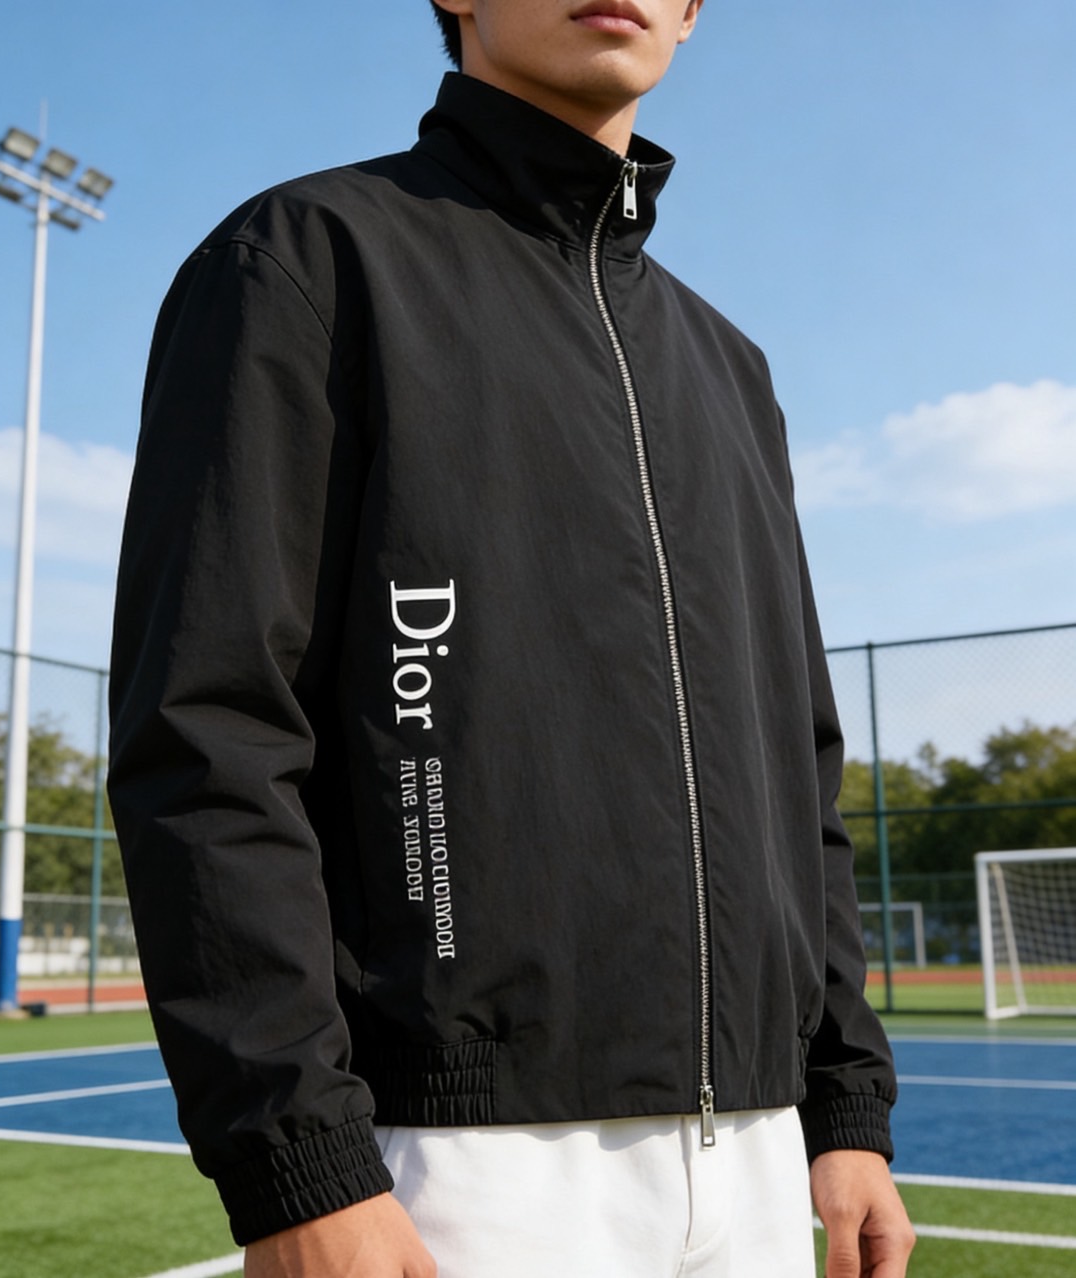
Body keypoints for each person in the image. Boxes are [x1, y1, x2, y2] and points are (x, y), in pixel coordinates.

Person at [108, 2, 916, 1275]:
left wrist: (844, 1103)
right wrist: (294, 1161)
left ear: (692, 13)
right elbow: (208, 728)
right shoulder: (305, 258)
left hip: (758, 1155)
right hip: (456, 1160)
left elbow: (795, 768)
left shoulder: (731, 368)